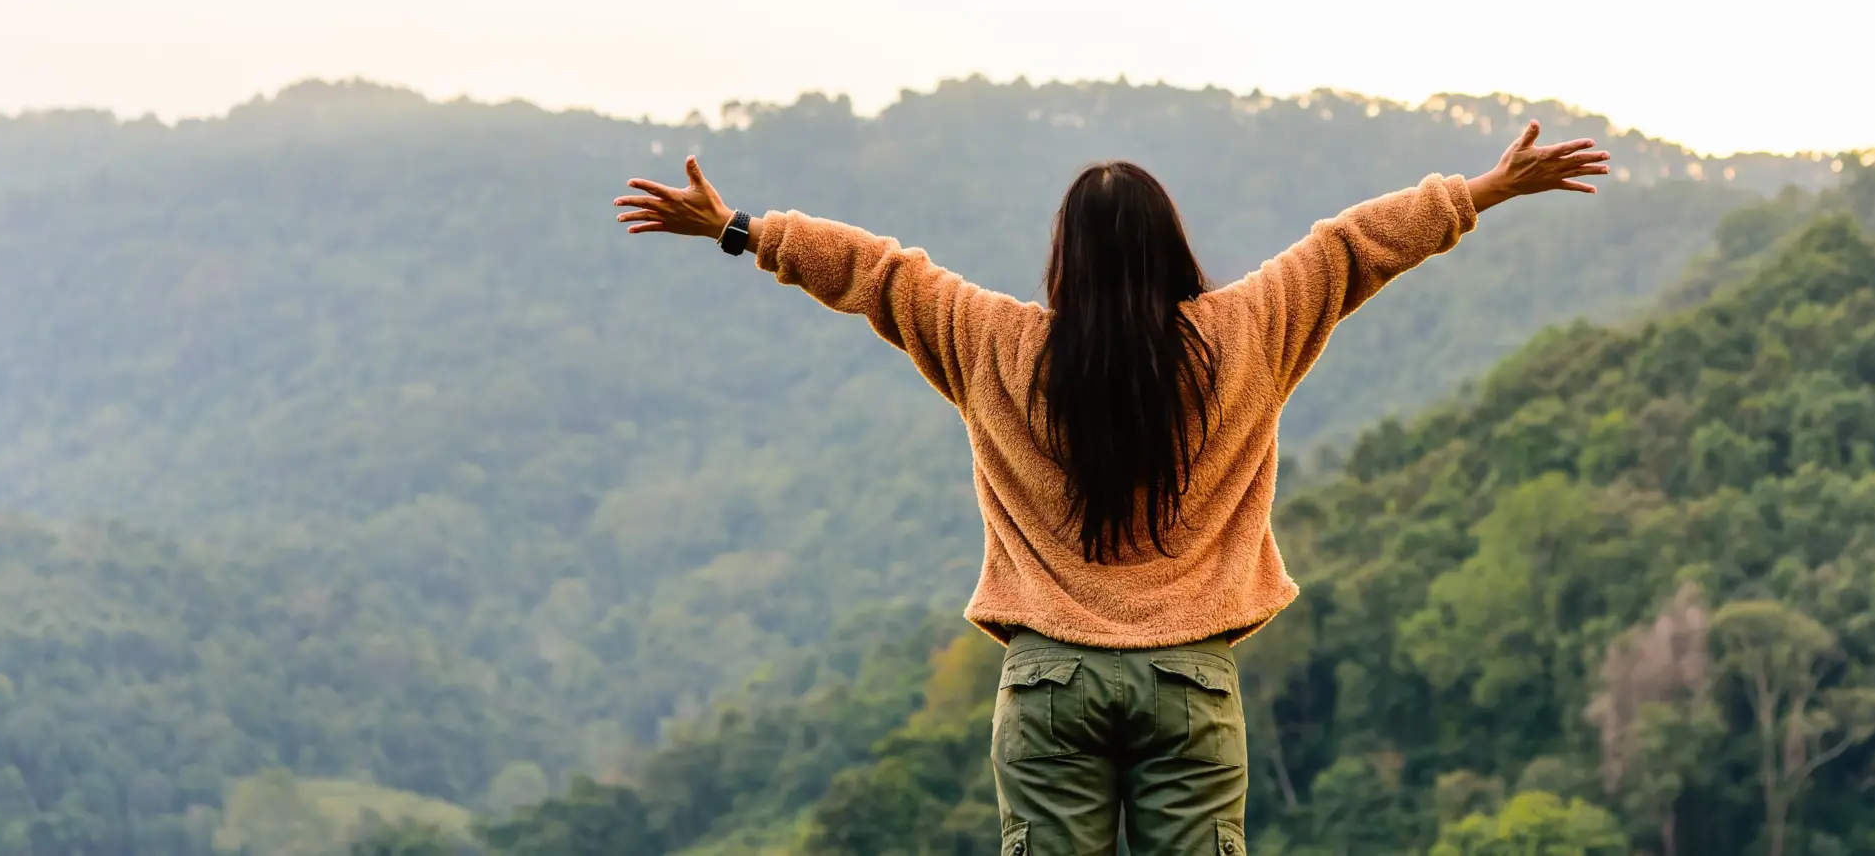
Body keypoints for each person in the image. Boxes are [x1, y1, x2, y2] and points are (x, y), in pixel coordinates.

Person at [613, 116, 1611, 856]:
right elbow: (1349, 246)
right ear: (1170, 242)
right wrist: (1485, 188)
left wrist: (739, 227)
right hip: (1190, 677)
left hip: (1048, 681)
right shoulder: (1244, 334)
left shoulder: (996, 344)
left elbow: (877, 272)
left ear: (1062, 256)